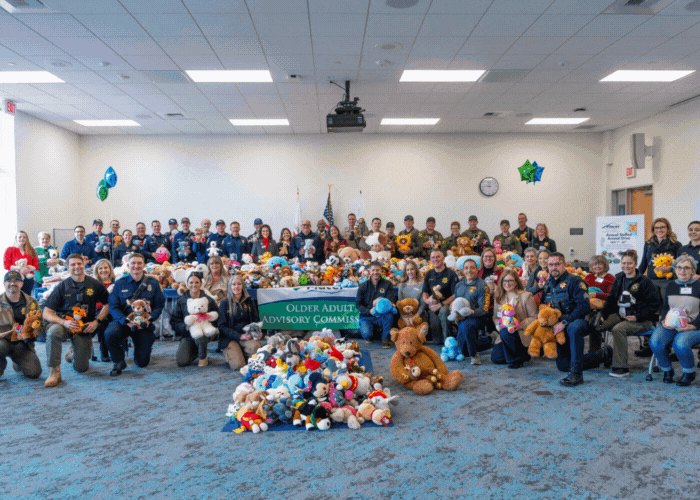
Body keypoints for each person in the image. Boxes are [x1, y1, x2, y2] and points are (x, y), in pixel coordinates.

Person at [542, 252, 611, 387]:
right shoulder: (548, 284)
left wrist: (564, 322)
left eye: (557, 264)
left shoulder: (575, 281)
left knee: (574, 328)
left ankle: (576, 374)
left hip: (580, 320)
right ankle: (603, 355)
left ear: (564, 265)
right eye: (550, 264)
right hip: (559, 325)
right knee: (563, 365)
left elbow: (583, 307)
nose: (553, 267)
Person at [42, 254, 110, 387]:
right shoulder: (62, 286)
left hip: (84, 327)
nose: (76, 267)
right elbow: (46, 312)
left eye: (79, 264)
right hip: (65, 324)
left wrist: (97, 321)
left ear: (84, 264)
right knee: (52, 332)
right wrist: (63, 322)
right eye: (72, 265)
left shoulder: (95, 284)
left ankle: (73, 350)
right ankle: (55, 372)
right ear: (67, 267)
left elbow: (108, 305)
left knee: (81, 368)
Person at [599, 250, 660, 378]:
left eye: (629, 263)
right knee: (597, 323)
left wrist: (638, 316)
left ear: (636, 264)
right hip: (621, 316)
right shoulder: (619, 278)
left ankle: (621, 367)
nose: (626, 266)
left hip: (641, 320)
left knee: (618, 329)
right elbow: (610, 299)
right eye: (624, 263)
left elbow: (655, 304)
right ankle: (596, 356)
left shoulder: (645, 281)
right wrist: (603, 314)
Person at [104, 253, 165, 376]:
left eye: (139, 263)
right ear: (128, 265)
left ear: (144, 265)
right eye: (133, 263)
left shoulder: (153, 284)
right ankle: (119, 361)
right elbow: (113, 306)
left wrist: (149, 320)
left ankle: (144, 347)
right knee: (110, 333)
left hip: (143, 324)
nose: (136, 266)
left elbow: (159, 305)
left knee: (142, 363)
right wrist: (125, 320)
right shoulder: (120, 283)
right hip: (124, 322)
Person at [649, 255, 700, 386]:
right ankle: (668, 370)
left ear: (693, 270)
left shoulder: (698, 286)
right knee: (655, 342)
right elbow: (666, 306)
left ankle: (689, 373)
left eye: (686, 268)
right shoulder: (671, 285)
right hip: (671, 322)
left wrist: (693, 325)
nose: (682, 271)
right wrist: (665, 320)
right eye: (679, 267)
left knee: (680, 343)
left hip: (693, 324)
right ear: (675, 269)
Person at [637, 217, 681, 357]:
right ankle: (648, 345)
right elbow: (644, 262)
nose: (659, 230)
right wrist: (636, 278)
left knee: (665, 314)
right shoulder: (648, 244)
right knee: (649, 311)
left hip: (668, 283)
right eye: (657, 228)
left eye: (662, 227)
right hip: (651, 282)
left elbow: (679, 265)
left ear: (668, 229)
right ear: (653, 230)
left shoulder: (676, 244)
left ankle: (666, 345)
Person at [491, 268, 537, 368]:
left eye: (510, 280)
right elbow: (495, 317)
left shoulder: (526, 296)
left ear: (516, 282)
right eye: (504, 280)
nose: (507, 283)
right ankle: (523, 355)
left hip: (521, 332)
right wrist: (499, 324)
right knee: (496, 359)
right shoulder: (498, 297)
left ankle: (515, 361)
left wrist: (520, 325)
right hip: (504, 333)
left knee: (506, 332)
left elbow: (535, 318)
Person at [171, 272, 219, 368]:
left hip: (205, 332)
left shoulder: (208, 300)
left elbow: (217, 316)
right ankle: (197, 351)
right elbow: (174, 321)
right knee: (182, 362)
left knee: (201, 336)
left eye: (197, 282)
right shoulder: (182, 301)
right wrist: (185, 327)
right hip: (188, 334)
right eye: (191, 282)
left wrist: (209, 321)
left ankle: (203, 356)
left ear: (201, 284)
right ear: (187, 284)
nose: (194, 285)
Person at [0, 271, 42, 380]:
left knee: (34, 373)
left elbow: (40, 324)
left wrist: (30, 335)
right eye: (9, 281)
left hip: (23, 343)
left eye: (16, 280)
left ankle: (17, 361)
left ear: (21, 284)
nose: (12, 283)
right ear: (4, 284)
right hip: (2, 341)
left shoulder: (31, 302)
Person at [453, 259, 492, 365]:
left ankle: (474, 356)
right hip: (462, 318)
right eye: (466, 268)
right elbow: (456, 303)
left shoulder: (482, 285)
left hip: (479, 317)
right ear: (462, 270)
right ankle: (490, 340)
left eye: (472, 267)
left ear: (477, 269)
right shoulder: (459, 285)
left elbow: (484, 309)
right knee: (464, 350)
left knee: (467, 326)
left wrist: (468, 313)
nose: (469, 270)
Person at [218, 275, 260, 370]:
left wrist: (257, 332)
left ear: (243, 286)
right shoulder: (224, 303)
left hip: (246, 335)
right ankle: (232, 352)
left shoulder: (249, 301)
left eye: (239, 284)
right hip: (229, 338)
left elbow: (255, 320)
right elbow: (221, 326)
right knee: (238, 366)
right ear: (230, 287)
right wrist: (239, 336)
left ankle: (241, 352)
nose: (236, 287)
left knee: (256, 347)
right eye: (233, 284)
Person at [356, 261, 397, 348]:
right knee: (367, 335)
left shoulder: (387, 284)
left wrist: (381, 299)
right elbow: (358, 304)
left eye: (377, 270)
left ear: (381, 271)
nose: (375, 272)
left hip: (382, 315)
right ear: (369, 271)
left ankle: (385, 339)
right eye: (373, 270)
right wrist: (369, 311)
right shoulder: (363, 286)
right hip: (367, 316)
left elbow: (392, 299)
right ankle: (373, 332)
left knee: (389, 315)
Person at [422, 249, 458, 345]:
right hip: (433, 305)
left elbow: (455, 295)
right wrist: (427, 300)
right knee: (437, 341)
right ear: (430, 259)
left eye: (438, 257)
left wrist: (441, 304)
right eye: (433, 257)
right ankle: (452, 332)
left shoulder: (451, 274)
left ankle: (449, 342)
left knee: (444, 311)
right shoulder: (429, 274)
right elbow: (425, 293)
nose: (435, 259)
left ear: (443, 259)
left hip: (447, 304)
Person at [585, 255, 617, 352]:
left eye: (600, 264)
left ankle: (594, 353)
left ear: (605, 265)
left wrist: (596, 295)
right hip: (588, 306)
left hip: (604, 308)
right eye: (594, 264)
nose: (597, 266)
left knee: (595, 322)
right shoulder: (588, 277)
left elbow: (611, 295)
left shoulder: (610, 278)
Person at [93, 258, 115, 361]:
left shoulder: (116, 283)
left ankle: (115, 350)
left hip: (115, 310)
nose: (103, 270)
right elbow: (93, 302)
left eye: (106, 267)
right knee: (103, 320)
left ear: (110, 269)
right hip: (99, 311)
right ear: (97, 271)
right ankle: (104, 351)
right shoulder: (93, 284)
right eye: (100, 268)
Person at [398, 260, 427, 325]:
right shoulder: (402, 285)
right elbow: (399, 304)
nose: (410, 272)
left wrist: (416, 316)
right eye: (407, 270)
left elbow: (423, 303)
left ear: (416, 270)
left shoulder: (422, 284)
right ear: (405, 272)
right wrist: (403, 317)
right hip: (404, 315)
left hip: (419, 314)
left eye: (412, 269)